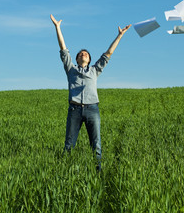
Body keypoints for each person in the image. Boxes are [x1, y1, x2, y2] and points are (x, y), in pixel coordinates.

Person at [50, 14, 131, 171]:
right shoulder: (71, 69)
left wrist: (120, 35)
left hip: (92, 109)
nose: (83, 54)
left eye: (85, 54)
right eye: (80, 54)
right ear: (77, 58)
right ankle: (65, 174)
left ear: (89, 59)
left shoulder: (94, 70)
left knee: (96, 144)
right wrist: (58, 28)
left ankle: (97, 172)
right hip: (74, 110)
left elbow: (108, 54)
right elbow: (63, 50)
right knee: (69, 144)